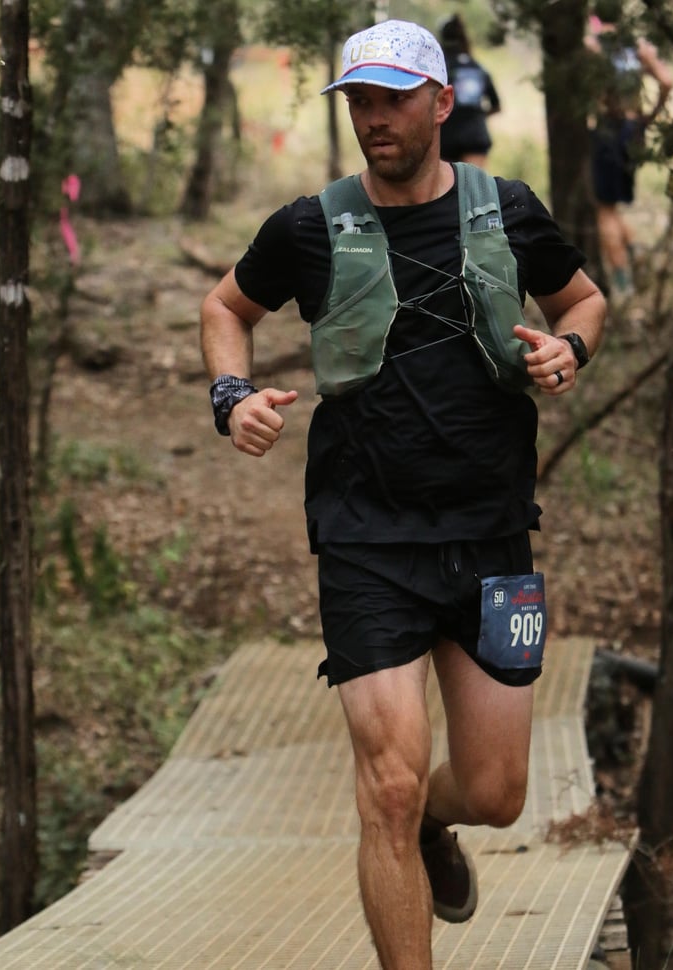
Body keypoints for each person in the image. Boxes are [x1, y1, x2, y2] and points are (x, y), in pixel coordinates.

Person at [200, 19, 605, 970]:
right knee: (384, 786)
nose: (373, 121)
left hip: (494, 535)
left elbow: (582, 299)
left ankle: (435, 821)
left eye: (390, 100)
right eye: (358, 103)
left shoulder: (507, 209)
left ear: (440, 102)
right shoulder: (309, 225)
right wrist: (231, 396)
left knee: (497, 791)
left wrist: (569, 348)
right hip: (365, 538)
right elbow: (226, 307)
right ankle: (407, 837)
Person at [585, 0, 673, 296]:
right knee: (615, 204)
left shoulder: (593, 46)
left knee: (605, 210)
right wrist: (649, 116)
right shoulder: (638, 47)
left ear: (595, 16)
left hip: (609, 128)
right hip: (634, 132)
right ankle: (632, 249)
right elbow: (667, 80)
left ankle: (623, 286)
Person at [437, 13, 501, 168]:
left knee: (446, 190)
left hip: (446, 137)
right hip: (475, 136)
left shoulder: (440, 69)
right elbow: (496, 105)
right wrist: (475, 115)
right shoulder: (478, 68)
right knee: (474, 189)